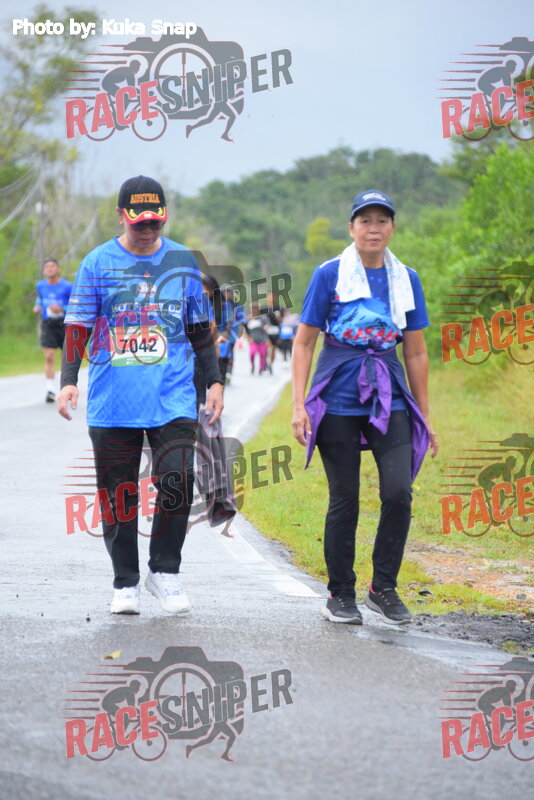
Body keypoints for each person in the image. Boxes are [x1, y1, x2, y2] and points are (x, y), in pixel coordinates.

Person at [57, 175, 223, 615]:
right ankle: (125, 582)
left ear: (164, 218)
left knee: (178, 480)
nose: (148, 230)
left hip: (172, 396)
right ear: (121, 216)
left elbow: (199, 329)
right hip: (114, 401)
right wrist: (69, 379)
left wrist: (215, 381)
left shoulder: (182, 261)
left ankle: (165, 572)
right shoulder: (97, 263)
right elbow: (78, 325)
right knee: (118, 493)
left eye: (155, 222)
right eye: (139, 223)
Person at [291, 189, 439, 625]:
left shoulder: (406, 278)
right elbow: (304, 343)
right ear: (352, 228)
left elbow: (415, 352)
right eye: (365, 221)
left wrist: (424, 416)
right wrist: (299, 405)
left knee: (398, 491)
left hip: (388, 391)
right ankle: (340, 594)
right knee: (345, 497)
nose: (374, 229)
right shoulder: (329, 274)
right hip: (337, 394)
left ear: (392, 227)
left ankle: (383, 588)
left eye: (382, 220)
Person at [33, 258, 72, 402]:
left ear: (58, 269)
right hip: (48, 324)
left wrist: (61, 308)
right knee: (49, 356)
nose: (50, 269)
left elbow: (75, 304)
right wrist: (37, 306)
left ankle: (66, 387)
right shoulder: (40, 285)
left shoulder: (67, 286)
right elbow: (40, 299)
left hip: (64, 323)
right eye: (47, 267)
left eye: (52, 266)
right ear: (44, 271)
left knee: (66, 357)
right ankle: (50, 390)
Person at [245, 303, 270, 375]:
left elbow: (267, 325)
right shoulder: (248, 318)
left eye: (255, 308)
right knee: (252, 353)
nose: (254, 310)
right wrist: (248, 338)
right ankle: (253, 366)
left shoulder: (263, 318)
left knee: (262, 354)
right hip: (253, 340)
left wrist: (266, 327)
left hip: (262, 339)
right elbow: (245, 330)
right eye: (252, 308)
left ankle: (261, 369)